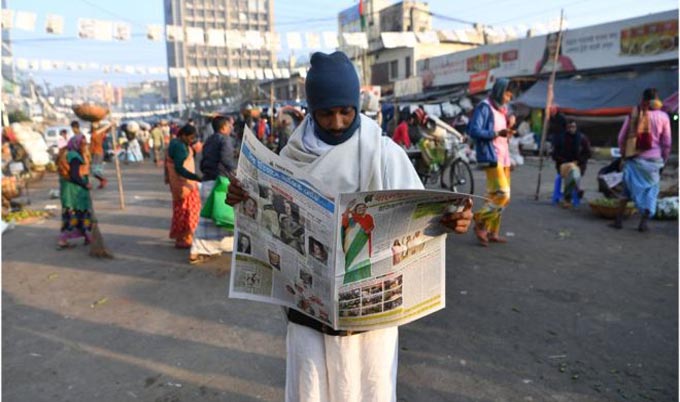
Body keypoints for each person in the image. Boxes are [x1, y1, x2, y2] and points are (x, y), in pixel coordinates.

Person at [226, 50, 473, 402]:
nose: (338, 122)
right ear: (311, 111)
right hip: (308, 315)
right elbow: (265, 229)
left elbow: (424, 214)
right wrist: (242, 200)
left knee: (368, 389)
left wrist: (452, 220)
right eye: (326, 113)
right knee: (311, 390)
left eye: (346, 111)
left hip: (369, 323)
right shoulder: (288, 158)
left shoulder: (384, 153)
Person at [612, 88, 671, 232]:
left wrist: (624, 153)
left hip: (635, 159)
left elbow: (621, 138)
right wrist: (664, 159)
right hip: (654, 161)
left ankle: (618, 221)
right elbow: (667, 143)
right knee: (651, 191)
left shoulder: (634, 114)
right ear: (657, 99)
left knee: (626, 190)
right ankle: (643, 223)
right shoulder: (663, 117)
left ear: (643, 99)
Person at [468, 78, 515, 247]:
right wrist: (496, 134)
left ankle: (491, 231)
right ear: (499, 91)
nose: (509, 98)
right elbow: (474, 130)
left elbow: (501, 133)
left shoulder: (501, 110)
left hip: (505, 158)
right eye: (507, 94)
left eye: (510, 95)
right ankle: (479, 220)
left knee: (496, 197)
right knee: (503, 194)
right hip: (492, 156)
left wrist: (508, 126)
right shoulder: (484, 107)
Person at [189, 116, 236, 265]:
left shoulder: (209, 140)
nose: (231, 128)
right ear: (223, 127)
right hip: (220, 184)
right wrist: (236, 173)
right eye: (229, 126)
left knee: (207, 220)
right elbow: (227, 160)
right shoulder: (225, 140)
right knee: (227, 218)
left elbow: (202, 161)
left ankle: (198, 250)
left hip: (207, 181)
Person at [165, 124, 202, 249]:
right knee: (187, 210)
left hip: (178, 183)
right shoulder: (180, 147)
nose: (191, 140)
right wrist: (196, 177)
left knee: (180, 209)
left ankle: (183, 237)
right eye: (190, 138)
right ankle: (184, 237)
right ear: (183, 135)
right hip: (184, 184)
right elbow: (179, 168)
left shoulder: (176, 143)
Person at [56, 125, 93, 249]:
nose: (85, 146)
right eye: (83, 144)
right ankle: (64, 239)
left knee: (78, 215)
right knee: (76, 215)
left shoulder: (67, 153)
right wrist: (85, 184)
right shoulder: (74, 156)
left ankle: (88, 238)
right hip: (75, 192)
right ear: (77, 144)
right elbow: (75, 175)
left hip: (69, 190)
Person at [552, 119, 592, 207]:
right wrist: (566, 161)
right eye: (569, 127)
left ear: (576, 128)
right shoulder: (561, 138)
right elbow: (554, 155)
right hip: (563, 165)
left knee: (574, 171)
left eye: (573, 127)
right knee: (572, 168)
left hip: (578, 165)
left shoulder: (582, 139)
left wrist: (579, 161)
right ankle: (576, 191)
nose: (571, 129)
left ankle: (567, 199)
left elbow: (588, 153)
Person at [341, 201, 374, 282]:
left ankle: (364, 281)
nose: (361, 209)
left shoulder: (368, 217)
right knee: (351, 264)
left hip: (363, 244)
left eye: (363, 208)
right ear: (355, 209)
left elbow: (370, 226)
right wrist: (348, 209)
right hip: (350, 244)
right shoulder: (351, 219)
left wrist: (369, 229)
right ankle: (350, 282)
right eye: (359, 208)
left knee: (363, 261)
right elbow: (344, 224)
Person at [89, 121, 113, 189]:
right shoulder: (96, 133)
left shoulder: (97, 133)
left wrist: (110, 125)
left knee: (94, 170)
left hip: (98, 153)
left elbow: (103, 130)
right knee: (95, 170)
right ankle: (102, 180)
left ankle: (103, 179)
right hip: (95, 153)